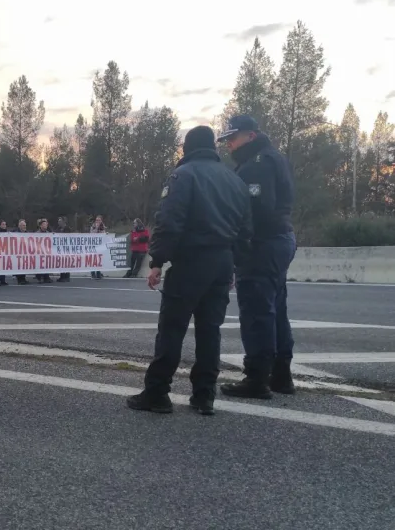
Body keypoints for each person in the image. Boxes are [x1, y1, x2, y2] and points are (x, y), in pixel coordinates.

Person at [126, 126, 253, 416]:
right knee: (210, 331)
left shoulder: (184, 175)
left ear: (187, 147)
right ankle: (204, 395)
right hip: (222, 262)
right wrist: (234, 264)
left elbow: (170, 221)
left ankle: (158, 392)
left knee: (172, 329)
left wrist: (157, 260)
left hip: (191, 261)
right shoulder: (235, 181)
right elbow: (246, 230)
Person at [217, 114, 298, 399]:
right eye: (227, 140)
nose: (229, 145)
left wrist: (239, 248)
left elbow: (255, 212)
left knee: (256, 311)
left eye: (233, 138)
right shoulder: (274, 158)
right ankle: (281, 374)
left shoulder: (257, 165)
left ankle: (257, 378)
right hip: (280, 239)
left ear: (250, 135)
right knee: (276, 308)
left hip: (263, 243)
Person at [35, 218, 52, 284]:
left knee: (46, 265)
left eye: (46, 224)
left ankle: (46, 277)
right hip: (39, 252)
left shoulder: (48, 233)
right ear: (40, 225)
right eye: (44, 224)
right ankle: (39, 277)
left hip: (46, 252)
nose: (46, 225)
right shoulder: (37, 233)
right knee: (40, 265)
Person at [56, 216, 72, 282]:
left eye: (60, 221)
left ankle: (67, 276)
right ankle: (62, 276)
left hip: (66, 248)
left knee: (66, 263)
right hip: (60, 248)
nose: (58, 222)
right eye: (58, 221)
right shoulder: (58, 228)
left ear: (63, 221)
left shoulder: (68, 229)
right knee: (61, 262)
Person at [0, 220, 9, 286]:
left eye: (5, 224)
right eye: (3, 224)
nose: (4, 226)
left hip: (4, 250)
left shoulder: (7, 232)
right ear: (0, 225)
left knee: (3, 266)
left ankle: (3, 280)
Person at [14, 219, 29, 285]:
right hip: (18, 252)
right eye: (23, 225)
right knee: (19, 266)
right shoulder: (16, 233)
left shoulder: (27, 233)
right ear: (19, 226)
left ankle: (23, 278)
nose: (24, 227)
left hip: (25, 252)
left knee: (24, 266)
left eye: (25, 225)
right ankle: (19, 279)